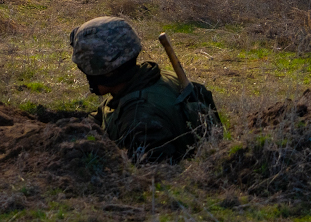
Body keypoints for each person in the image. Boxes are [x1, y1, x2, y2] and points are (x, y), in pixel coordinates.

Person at [69, 16, 219, 164]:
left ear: (105, 72)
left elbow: (151, 175)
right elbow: (105, 116)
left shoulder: (140, 119)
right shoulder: (144, 80)